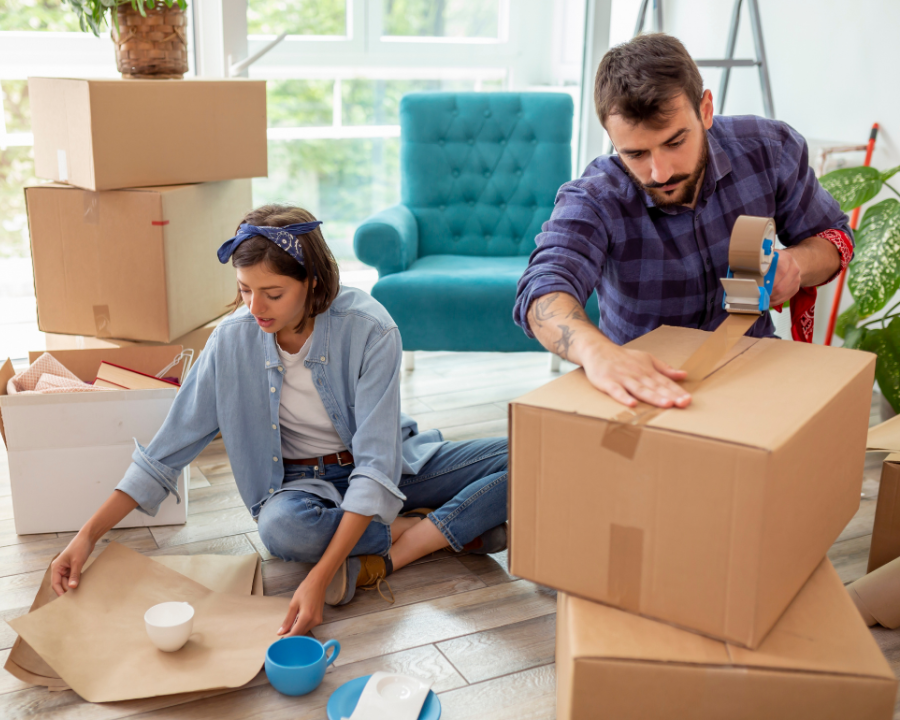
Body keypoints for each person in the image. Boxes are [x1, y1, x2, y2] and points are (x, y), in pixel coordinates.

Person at [50, 204, 508, 637]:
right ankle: (430, 528)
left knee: (530, 456)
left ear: (311, 281)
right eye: (245, 290)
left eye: (272, 293)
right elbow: (166, 451)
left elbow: (376, 465)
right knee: (283, 529)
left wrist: (318, 579)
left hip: (395, 463)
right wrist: (86, 535)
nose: (255, 307)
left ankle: (396, 551)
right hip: (302, 484)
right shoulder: (232, 341)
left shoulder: (370, 328)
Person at [515, 33, 853, 409]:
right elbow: (543, 288)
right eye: (636, 153)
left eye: (675, 142)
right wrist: (598, 353)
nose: (660, 172)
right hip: (646, 387)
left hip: (756, 367)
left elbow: (834, 236)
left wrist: (798, 266)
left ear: (705, 109)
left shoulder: (768, 149)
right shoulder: (596, 195)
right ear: (612, 139)